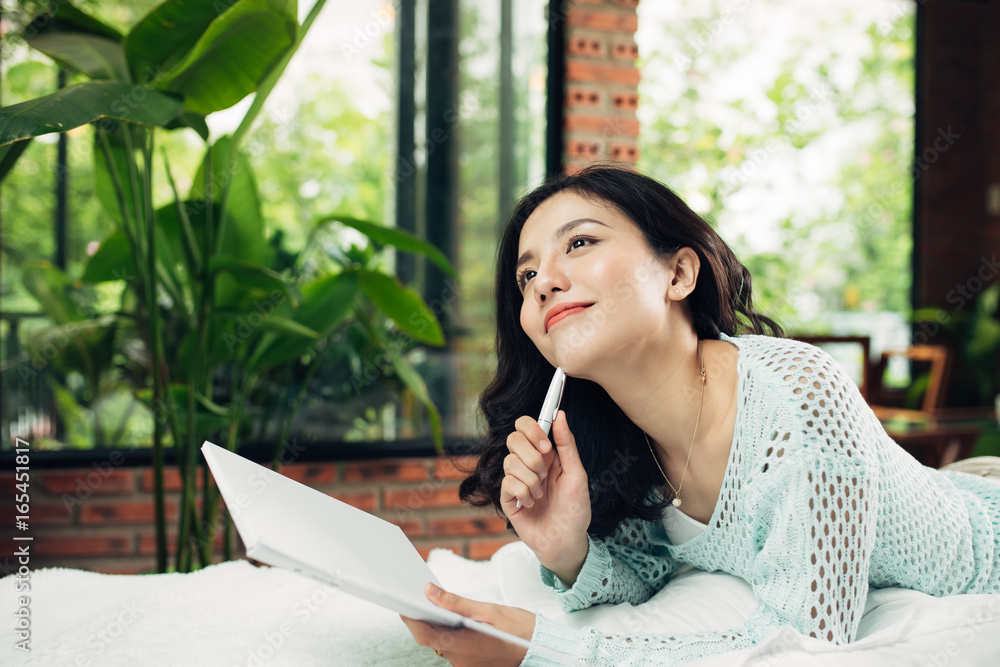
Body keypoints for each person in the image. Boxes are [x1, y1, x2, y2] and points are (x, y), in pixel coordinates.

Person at [401, 165, 1000, 666]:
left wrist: (540, 649)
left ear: (679, 273)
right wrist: (567, 550)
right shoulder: (610, 430)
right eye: (526, 274)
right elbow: (648, 571)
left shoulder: (796, 393)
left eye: (579, 243)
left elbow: (804, 646)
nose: (543, 283)